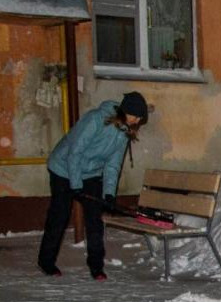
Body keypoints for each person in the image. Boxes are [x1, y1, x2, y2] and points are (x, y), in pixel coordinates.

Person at [39, 92, 148, 281]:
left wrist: (109, 194)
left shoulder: (124, 133)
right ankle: (46, 261)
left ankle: (96, 266)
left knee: (95, 220)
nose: (137, 121)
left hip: (91, 173)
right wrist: (75, 185)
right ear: (124, 111)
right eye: (135, 116)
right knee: (59, 216)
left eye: (140, 118)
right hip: (64, 168)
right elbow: (75, 152)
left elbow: (113, 165)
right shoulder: (95, 120)